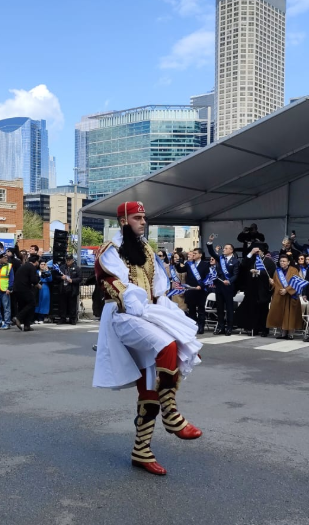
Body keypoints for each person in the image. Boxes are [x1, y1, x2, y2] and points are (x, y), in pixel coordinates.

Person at [93, 201, 202, 476]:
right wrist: (143, 306)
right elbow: (119, 288)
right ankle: (171, 413)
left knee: (150, 385)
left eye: (144, 218)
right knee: (168, 345)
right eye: (138, 218)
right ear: (123, 221)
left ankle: (141, 450)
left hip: (146, 314)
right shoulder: (110, 250)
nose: (143, 222)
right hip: (123, 316)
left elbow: (159, 287)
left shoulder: (147, 250)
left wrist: (161, 308)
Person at [235, 245, 275, 337]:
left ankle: (264, 330)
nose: (257, 253)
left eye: (258, 251)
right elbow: (243, 264)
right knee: (253, 310)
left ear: (263, 252)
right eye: (255, 252)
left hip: (263, 289)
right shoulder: (252, 260)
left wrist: (258, 272)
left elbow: (270, 273)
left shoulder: (269, 262)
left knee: (263, 310)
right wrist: (251, 253)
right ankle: (254, 328)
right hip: (252, 288)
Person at [206, 234, 239, 335]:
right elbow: (211, 252)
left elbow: (236, 274)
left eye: (226, 248)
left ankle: (229, 327)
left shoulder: (235, 261)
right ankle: (220, 327)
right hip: (219, 286)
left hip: (228, 287)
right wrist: (210, 242)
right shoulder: (220, 258)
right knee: (219, 308)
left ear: (231, 250)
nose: (223, 249)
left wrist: (229, 281)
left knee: (229, 308)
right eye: (224, 248)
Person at [266, 254, 304, 338]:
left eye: (284, 261)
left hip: (290, 296)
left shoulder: (293, 270)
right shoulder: (277, 271)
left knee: (290, 315)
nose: (282, 263)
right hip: (280, 296)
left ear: (288, 262)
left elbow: (296, 282)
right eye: (281, 261)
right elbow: (275, 284)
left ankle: (290, 333)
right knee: (281, 314)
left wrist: (287, 290)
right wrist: (272, 283)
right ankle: (282, 333)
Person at [180, 248, 209, 334]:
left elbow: (208, 277)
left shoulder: (205, 264)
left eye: (195, 253)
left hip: (200, 290)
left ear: (200, 255)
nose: (193, 255)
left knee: (201, 310)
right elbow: (180, 270)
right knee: (191, 309)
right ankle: (193, 326)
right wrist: (179, 262)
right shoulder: (189, 264)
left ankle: (201, 326)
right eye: (192, 254)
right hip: (191, 289)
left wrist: (201, 285)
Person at [12, 254, 40, 331]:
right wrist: (37, 284)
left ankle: (27, 325)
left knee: (24, 305)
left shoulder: (23, 266)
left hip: (17, 289)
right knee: (32, 303)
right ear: (35, 261)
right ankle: (18, 317)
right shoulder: (32, 267)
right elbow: (33, 280)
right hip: (24, 289)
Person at [58, 253, 80, 325]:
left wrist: (72, 280)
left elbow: (80, 278)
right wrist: (61, 277)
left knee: (72, 304)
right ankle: (62, 318)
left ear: (72, 260)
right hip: (63, 288)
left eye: (69, 260)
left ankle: (72, 318)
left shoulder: (76, 268)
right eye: (67, 260)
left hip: (72, 288)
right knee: (62, 304)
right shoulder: (62, 267)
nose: (68, 261)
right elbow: (56, 276)